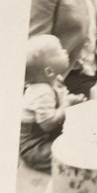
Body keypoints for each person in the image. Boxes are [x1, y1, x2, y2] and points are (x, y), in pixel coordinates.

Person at [19, 35, 85, 172]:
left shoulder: (55, 79)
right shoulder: (41, 92)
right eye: (59, 51)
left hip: (49, 135)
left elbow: (61, 99)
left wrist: (72, 100)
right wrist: (66, 104)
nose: (65, 51)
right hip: (35, 146)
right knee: (69, 158)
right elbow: (47, 124)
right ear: (49, 71)